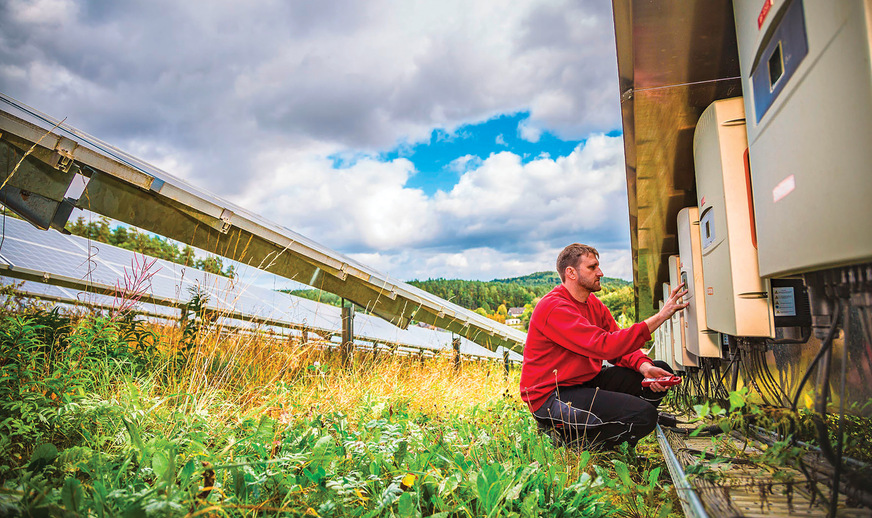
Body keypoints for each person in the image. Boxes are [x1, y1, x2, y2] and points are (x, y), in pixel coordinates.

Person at [520, 243, 688, 450]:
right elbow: (605, 346)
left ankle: (612, 430)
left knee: (659, 371)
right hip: (553, 397)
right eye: (592, 267)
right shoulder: (554, 308)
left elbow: (618, 341)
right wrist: (661, 316)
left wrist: (644, 366)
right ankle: (571, 441)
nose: (600, 272)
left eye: (598, 266)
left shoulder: (593, 304)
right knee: (644, 416)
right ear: (571, 273)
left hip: (584, 382)